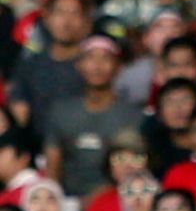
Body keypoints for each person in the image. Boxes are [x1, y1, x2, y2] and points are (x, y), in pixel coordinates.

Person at [43, 35, 142, 197]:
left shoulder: (134, 116)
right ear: (78, 65)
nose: (97, 66)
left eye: (105, 58)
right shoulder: (60, 112)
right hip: (69, 202)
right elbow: (52, 168)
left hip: (118, 200)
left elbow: (135, 170)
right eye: (90, 58)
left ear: (118, 67)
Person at [7, 0, 90, 137]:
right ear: (47, 18)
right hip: (37, 145)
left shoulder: (93, 67)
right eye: (60, 12)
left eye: (74, 13)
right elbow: (18, 99)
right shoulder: (31, 63)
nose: (66, 21)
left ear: (86, 21)